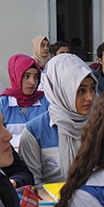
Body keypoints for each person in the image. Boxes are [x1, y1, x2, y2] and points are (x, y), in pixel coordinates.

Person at [19, 53, 97, 184]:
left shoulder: (101, 125)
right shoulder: (35, 132)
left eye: (93, 89)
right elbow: (32, 186)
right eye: (81, 90)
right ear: (61, 90)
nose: (90, 98)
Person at [0, 54, 50, 146]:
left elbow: (51, 135)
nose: (32, 82)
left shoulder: (46, 102)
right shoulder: (2, 104)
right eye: (26, 76)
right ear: (15, 76)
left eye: (36, 77)